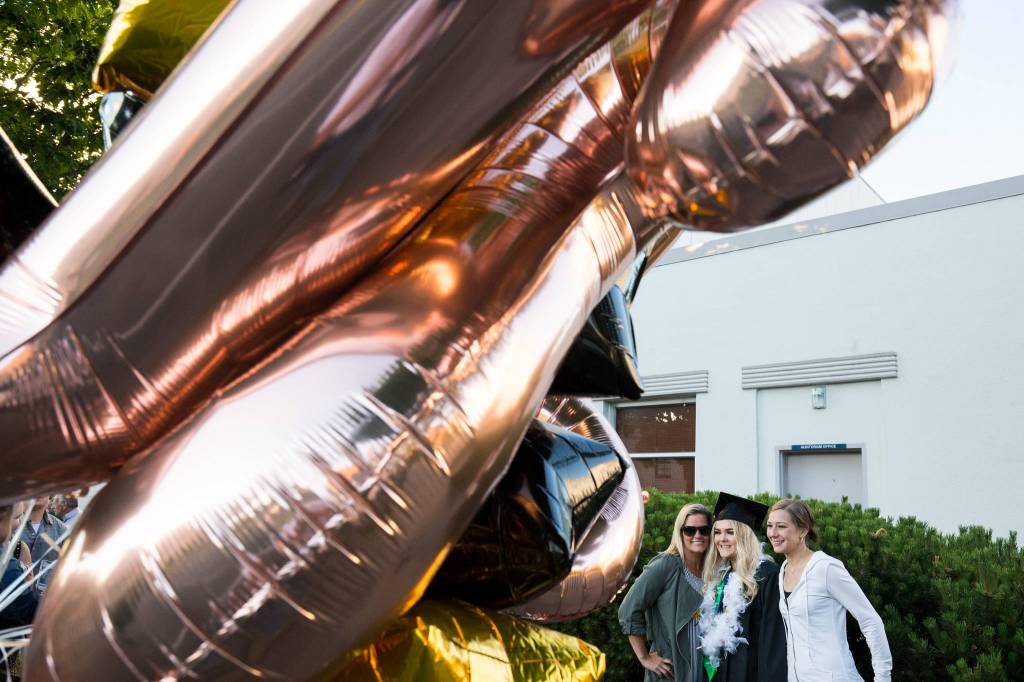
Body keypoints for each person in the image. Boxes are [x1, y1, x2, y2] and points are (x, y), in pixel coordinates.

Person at [767, 499, 892, 682]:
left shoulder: (825, 568)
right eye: (770, 526)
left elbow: (871, 621)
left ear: (803, 530)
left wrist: (883, 678)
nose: (773, 533)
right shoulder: (783, 571)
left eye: (781, 526)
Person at [699, 493, 787, 681]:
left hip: (752, 674)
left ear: (744, 535)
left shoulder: (766, 574)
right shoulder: (722, 576)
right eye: (718, 532)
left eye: (730, 532)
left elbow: (774, 639)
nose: (722, 539)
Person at [619, 503, 711, 681]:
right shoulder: (666, 565)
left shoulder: (711, 571)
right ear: (680, 532)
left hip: (701, 672)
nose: (697, 535)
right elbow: (628, 610)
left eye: (704, 530)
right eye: (690, 530)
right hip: (670, 672)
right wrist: (645, 658)